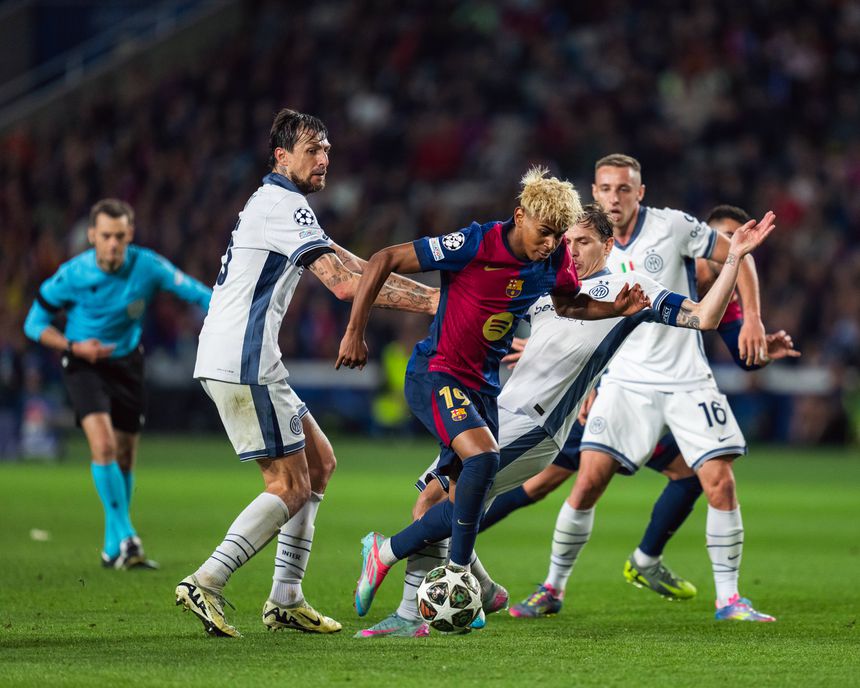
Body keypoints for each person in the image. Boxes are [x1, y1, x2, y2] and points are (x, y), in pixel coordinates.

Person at [350, 202, 776, 636]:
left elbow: (705, 317)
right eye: (566, 240)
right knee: (429, 501)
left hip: (539, 426)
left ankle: (398, 571)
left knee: (450, 503)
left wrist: (736, 258)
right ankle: (469, 590)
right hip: (494, 411)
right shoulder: (550, 281)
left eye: (583, 242)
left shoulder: (631, 287)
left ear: (608, 246)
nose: (569, 250)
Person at [337, 167, 654, 622]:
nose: (551, 245)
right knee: (482, 462)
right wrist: (354, 332)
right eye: (544, 233)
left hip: (483, 391)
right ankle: (434, 569)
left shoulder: (554, 256)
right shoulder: (474, 243)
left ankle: (451, 591)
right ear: (519, 215)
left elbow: (568, 303)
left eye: (558, 236)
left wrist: (613, 309)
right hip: (437, 373)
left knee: (453, 494)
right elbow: (384, 258)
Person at [174, 108, 440, 638]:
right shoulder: (283, 204)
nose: (323, 160)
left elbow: (359, 269)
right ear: (282, 156)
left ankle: (286, 597)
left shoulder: (280, 204)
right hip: (242, 360)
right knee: (289, 483)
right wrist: (436, 306)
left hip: (250, 358)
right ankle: (207, 579)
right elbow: (345, 286)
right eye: (312, 150)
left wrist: (435, 296)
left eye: (327, 151)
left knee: (319, 463)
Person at [507, 155, 778, 623]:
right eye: (607, 188)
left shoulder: (673, 227)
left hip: (685, 375)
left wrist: (752, 317)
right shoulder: (575, 244)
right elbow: (567, 317)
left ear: (640, 192)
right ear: (595, 191)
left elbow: (736, 251)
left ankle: (730, 599)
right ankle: (552, 587)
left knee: (719, 481)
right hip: (624, 381)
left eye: (624, 188)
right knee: (587, 480)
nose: (615, 196)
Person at [23, 198, 212, 569]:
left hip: (128, 364)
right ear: (92, 235)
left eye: (120, 236)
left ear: (130, 235)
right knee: (104, 445)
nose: (113, 244)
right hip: (84, 364)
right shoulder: (72, 275)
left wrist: (235, 309)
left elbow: (195, 292)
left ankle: (114, 549)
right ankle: (127, 535)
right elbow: (33, 323)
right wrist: (73, 346)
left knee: (125, 455)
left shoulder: (147, 266)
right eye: (106, 236)